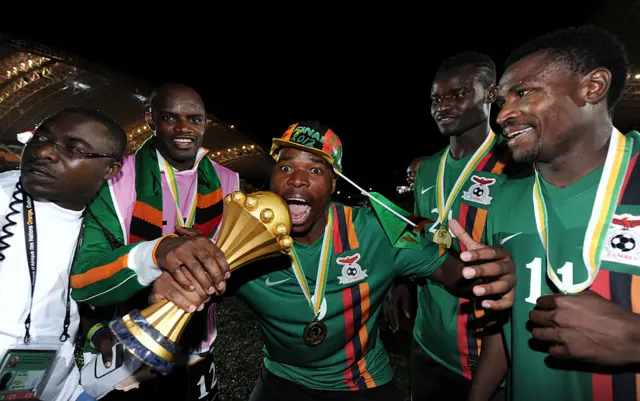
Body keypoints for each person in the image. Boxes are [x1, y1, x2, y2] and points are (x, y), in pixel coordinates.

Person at [151, 120, 517, 401]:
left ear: (334, 182)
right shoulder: (242, 239)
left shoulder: (377, 233)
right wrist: (171, 276)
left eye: (315, 170)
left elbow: (456, 275)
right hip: (282, 377)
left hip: (361, 382)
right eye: (286, 166)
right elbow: (186, 287)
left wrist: (489, 271)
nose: (297, 181)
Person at [468, 25, 640, 401]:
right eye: (502, 101)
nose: (502, 116)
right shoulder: (505, 200)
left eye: (523, 92)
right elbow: (505, 333)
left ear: (592, 87)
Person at [69, 83, 239, 401]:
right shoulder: (116, 178)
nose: (183, 128)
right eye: (169, 117)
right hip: (130, 351)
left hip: (197, 347)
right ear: (150, 120)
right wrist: (156, 254)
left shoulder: (229, 180)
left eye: (194, 119)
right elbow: (82, 278)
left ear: (206, 123)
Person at [384, 52, 510, 401]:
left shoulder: (513, 166)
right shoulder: (427, 170)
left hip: (489, 358)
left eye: (458, 94)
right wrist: (402, 279)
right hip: (427, 343)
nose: (443, 106)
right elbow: (421, 233)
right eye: (436, 99)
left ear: (491, 94)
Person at [0, 107, 126, 401]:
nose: (43, 151)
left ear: (110, 170)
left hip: (59, 387)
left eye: (74, 149)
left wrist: (95, 330)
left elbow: (64, 296)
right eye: (41, 137)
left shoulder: (106, 224)